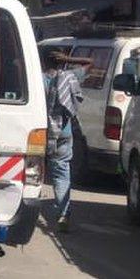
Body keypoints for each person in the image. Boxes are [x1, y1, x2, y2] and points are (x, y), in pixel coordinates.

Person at [42, 51, 86, 232]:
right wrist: (68, 60)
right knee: (61, 173)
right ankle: (64, 213)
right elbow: (89, 62)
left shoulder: (36, 79)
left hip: (38, 132)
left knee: (29, 170)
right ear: (61, 61)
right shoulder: (69, 77)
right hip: (63, 132)